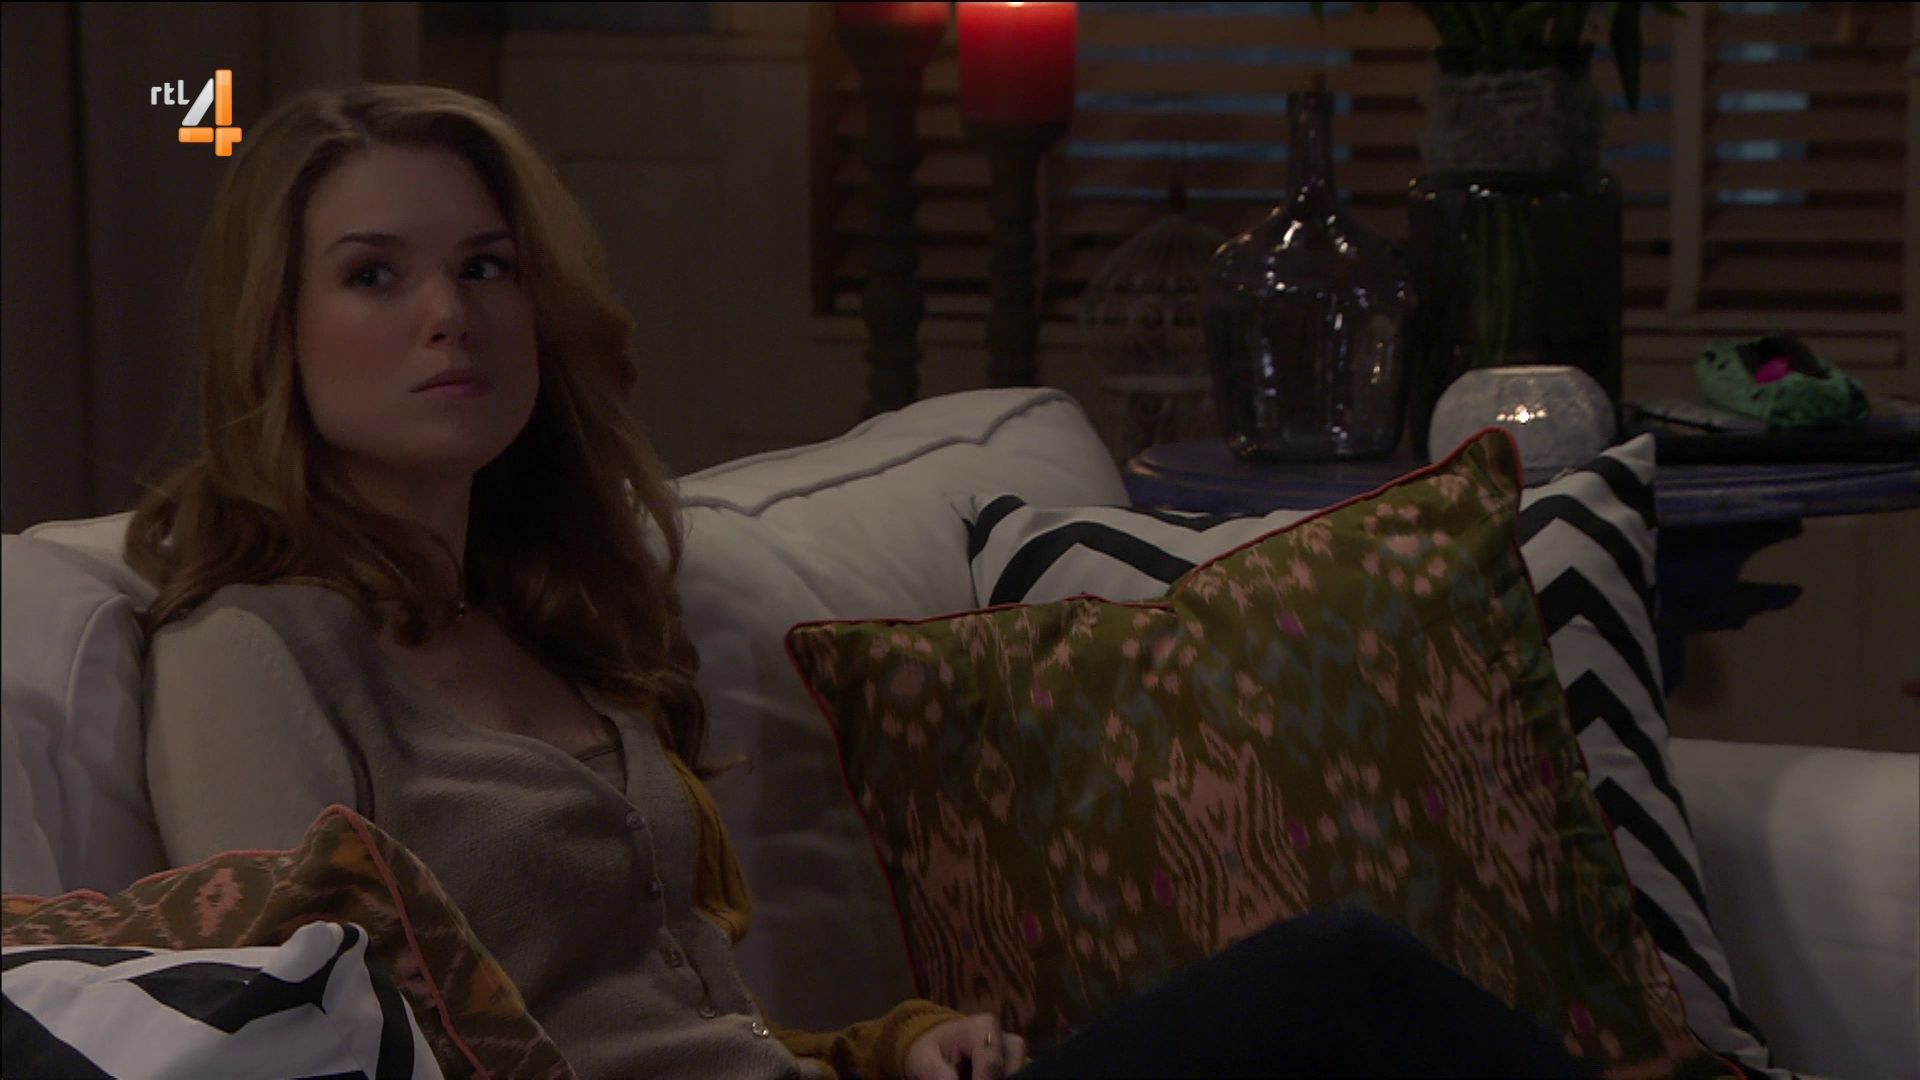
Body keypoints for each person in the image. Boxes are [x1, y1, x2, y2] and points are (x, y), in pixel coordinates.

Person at [133, 83, 1592, 1080]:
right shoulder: (249, 650)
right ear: (277, 328)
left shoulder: (546, 620)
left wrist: (889, 1046)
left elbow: (681, 1025)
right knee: (1334, 987)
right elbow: (308, 1045)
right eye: (374, 275)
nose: (449, 315)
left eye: (486, 267)